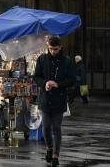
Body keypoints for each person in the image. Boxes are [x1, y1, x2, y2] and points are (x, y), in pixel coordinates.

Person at [34, 36, 75, 167]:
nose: (53, 51)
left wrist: (58, 84)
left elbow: (72, 79)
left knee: (56, 128)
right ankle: (49, 148)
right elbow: (36, 77)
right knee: (46, 127)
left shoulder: (66, 61)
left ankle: (56, 156)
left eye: (55, 49)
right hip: (45, 99)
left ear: (60, 47)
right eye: (50, 49)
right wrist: (45, 83)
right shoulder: (42, 59)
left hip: (59, 99)